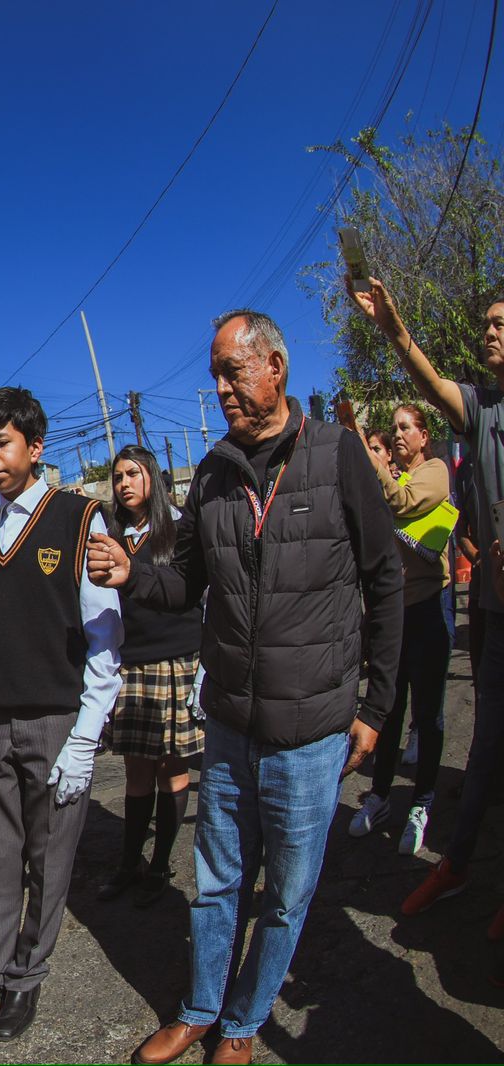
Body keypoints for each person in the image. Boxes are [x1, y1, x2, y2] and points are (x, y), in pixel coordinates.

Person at [87, 309, 401, 1066]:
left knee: (286, 897)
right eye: (216, 373)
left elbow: (385, 581)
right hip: (227, 722)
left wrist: (377, 706)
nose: (221, 385)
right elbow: (186, 580)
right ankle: (199, 1009)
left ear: (276, 368)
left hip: (313, 728)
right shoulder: (217, 474)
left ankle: (242, 1025)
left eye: (233, 369)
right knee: (217, 882)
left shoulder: (335, 455)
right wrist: (134, 576)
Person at [0, 390, 123, 1042]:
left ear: (35, 448)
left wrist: (85, 737)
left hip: (55, 718)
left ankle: (27, 974)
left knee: (49, 859)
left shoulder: (80, 521)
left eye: (2, 442)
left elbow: (105, 640)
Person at [345, 277, 504, 925]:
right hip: (492, 614)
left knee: (439, 720)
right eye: (488, 321)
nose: (489, 331)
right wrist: (391, 326)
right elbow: (433, 380)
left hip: (436, 607)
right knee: (485, 743)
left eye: (501, 322)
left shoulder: (434, 474)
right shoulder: (481, 408)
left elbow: (409, 522)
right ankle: (457, 863)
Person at [339, 403, 453, 855]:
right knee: (386, 706)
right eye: (396, 429)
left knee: (428, 713)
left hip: (428, 608)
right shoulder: (394, 477)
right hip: (393, 612)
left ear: (424, 437)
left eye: (407, 428)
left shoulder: (436, 472)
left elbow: (399, 503)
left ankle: (422, 803)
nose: (400, 435)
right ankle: (381, 798)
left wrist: (369, 456)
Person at [93, 445, 203, 909]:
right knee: (136, 769)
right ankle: (129, 861)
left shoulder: (177, 529)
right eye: (118, 476)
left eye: (133, 474)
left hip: (177, 660)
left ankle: (161, 863)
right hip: (131, 664)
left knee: (171, 766)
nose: (125, 484)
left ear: (152, 479)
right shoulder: (111, 535)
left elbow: (200, 592)